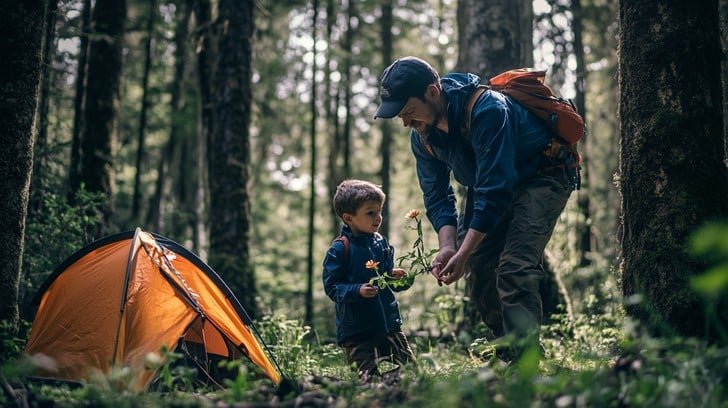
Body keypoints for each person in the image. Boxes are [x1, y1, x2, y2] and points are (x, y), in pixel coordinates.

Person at [373, 56, 578, 355]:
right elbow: (438, 195)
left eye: (408, 111)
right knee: (480, 264)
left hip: (543, 175)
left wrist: (463, 249)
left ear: (432, 92)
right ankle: (506, 351)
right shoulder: (423, 138)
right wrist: (448, 247)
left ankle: (526, 361)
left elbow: (494, 192)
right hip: (491, 186)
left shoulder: (488, 109)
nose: (405, 122)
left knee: (514, 266)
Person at [322, 179, 415, 381]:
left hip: (388, 325)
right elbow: (332, 287)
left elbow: (386, 280)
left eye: (380, 211)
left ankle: (394, 386)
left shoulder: (381, 242)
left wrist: (396, 277)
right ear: (349, 218)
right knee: (367, 379)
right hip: (357, 333)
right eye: (370, 213)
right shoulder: (340, 249)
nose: (378, 218)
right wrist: (357, 290)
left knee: (412, 372)